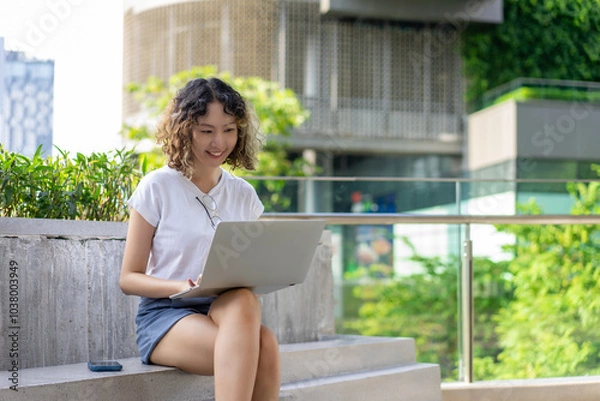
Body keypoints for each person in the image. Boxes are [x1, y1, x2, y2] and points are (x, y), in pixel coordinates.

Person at [119, 77, 281, 401]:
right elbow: (128, 278)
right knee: (263, 347)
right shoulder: (157, 187)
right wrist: (184, 286)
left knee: (253, 317)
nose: (219, 142)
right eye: (207, 130)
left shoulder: (243, 195)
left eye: (229, 129)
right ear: (184, 128)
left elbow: (248, 273)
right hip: (167, 316)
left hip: (227, 311)